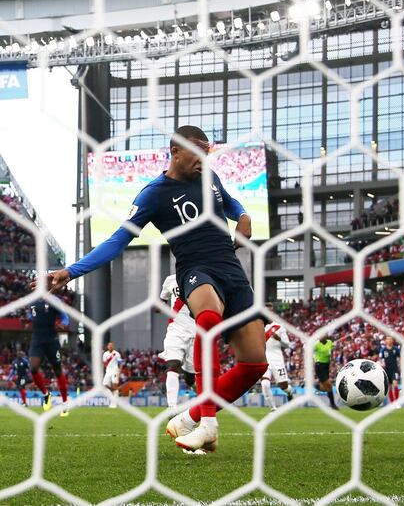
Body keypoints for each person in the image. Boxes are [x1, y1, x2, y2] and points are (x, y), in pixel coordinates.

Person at [44, 126, 268, 452]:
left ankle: (188, 418)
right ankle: (208, 425)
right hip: (196, 270)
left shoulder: (209, 177)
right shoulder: (154, 194)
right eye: (197, 151)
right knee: (207, 321)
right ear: (175, 151)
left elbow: (230, 202)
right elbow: (117, 241)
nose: (204, 159)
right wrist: (71, 271)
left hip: (232, 270)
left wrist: (244, 215)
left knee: (255, 364)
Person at [157, 274, 196, 410]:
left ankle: (202, 398)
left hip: (196, 331)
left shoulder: (203, 277)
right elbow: (162, 299)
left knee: (190, 377)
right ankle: (172, 407)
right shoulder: (170, 280)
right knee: (173, 364)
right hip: (176, 329)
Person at [27, 299, 70, 416]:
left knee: (57, 370)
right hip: (37, 340)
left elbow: (65, 317)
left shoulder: (55, 301)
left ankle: (65, 402)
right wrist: (26, 321)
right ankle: (46, 394)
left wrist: (63, 324)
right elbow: (31, 317)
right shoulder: (32, 303)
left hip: (52, 340)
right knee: (33, 368)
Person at [261, 307, 294, 411]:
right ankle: (273, 408)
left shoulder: (279, 327)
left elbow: (287, 344)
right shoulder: (259, 328)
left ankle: (290, 393)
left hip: (277, 360)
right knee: (265, 384)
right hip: (264, 359)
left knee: (283, 386)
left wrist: (279, 339)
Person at [313, 334, 337, 409]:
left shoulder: (329, 342)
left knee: (324, 388)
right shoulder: (316, 344)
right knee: (329, 385)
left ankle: (313, 385)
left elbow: (332, 348)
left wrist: (334, 347)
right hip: (319, 366)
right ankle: (333, 405)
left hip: (326, 366)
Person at [379, 336, 401, 406]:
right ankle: (392, 403)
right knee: (389, 386)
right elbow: (380, 359)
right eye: (388, 339)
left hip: (395, 369)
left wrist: (400, 366)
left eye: (391, 339)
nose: (389, 340)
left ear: (392, 340)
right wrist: (382, 364)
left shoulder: (396, 349)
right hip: (387, 370)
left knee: (395, 384)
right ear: (385, 341)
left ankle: (397, 402)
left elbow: (400, 358)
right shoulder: (383, 350)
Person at [102, 342, 123, 408]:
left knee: (114, 385)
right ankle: (113, 399)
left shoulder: (116, 354)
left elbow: (120, 363)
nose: (110, 346)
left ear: (113, 346)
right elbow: (104, 364)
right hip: (108, 372)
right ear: (107, 346)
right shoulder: (105, 354)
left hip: (115, 371)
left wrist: (119, 372)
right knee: (104, 385)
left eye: (111, 345)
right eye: (109, 345)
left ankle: (114, 403)